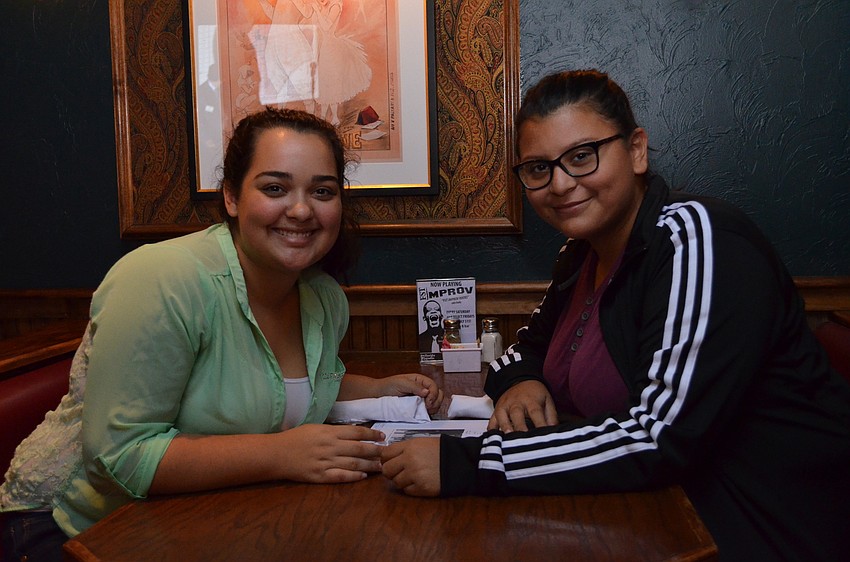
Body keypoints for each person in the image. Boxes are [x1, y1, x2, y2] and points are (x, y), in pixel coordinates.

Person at [380, 69, 850, 561]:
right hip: (652, 513)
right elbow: (518, 353)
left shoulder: (695, 238)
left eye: (582, 156)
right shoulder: (579, 254)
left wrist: (465, 466)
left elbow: (658, 438)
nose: (560, 184)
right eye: (538, 168)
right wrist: (521, 381)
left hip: (762, 527)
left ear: (637, 150)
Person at [0, 107, 442, 560]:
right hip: (73, 531)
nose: (302, 209)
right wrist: (283, 455)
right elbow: (118, 457)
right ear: (231, 197)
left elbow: (275, 382)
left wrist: (378, 387)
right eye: (275, 188)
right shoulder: (161, 278)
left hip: (209, 518)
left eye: (322, 191)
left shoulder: (324, 297)